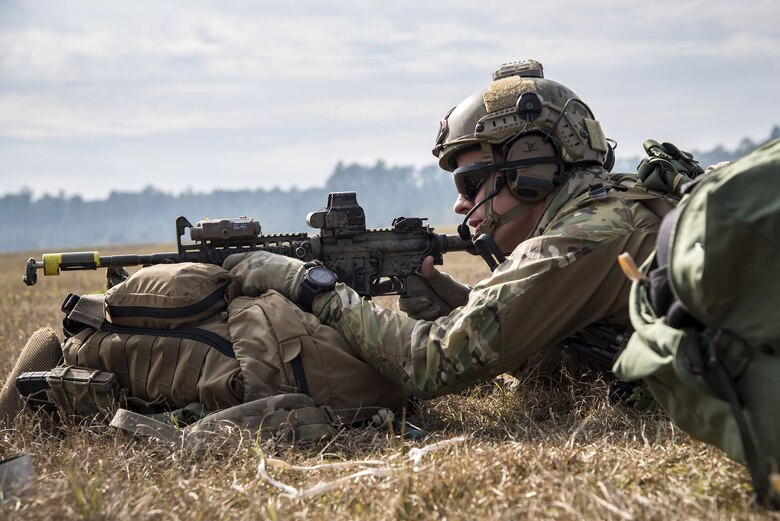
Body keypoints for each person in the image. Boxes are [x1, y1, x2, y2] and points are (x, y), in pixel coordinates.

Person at [224, 59, 665, 399]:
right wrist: (464, 304)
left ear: (532, 169)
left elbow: (430, 364)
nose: (460, 203)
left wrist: (316, 289)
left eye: (470, 183)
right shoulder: (614, 211)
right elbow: (566, 371)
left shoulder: (575, 242)